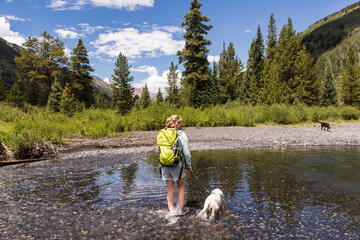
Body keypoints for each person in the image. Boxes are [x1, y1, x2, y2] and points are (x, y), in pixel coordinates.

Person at [161, 114, 192, 215]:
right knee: (181, 187)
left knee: (170, 189)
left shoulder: (163, 133)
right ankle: (179, 211)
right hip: (177, 165)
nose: (181, 125)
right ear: (176, 123)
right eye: (180, 123)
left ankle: (171, 212)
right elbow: (186, 153)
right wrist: (189, 166)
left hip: (164, 165)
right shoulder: (181, 135)